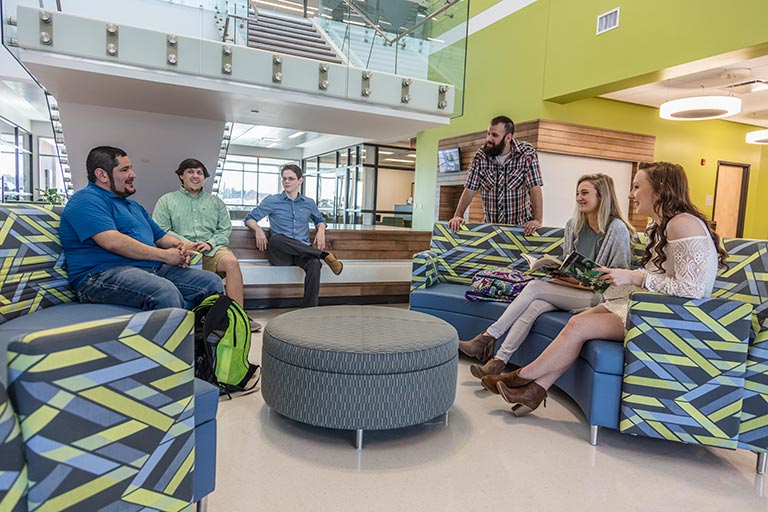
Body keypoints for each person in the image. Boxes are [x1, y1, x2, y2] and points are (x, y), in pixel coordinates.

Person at [491, 162, 728, 417]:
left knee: (579, 327)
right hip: (655, 306)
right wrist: (629, 277)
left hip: (676, 318)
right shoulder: (660, 225)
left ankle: (521, 377)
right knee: (576, 323)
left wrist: (633, 277)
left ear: (659, 190)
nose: (630, 194)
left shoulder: (681, 224)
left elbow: (692, 289)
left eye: (637, 187)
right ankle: (534, 390)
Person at [459, 174, 634, 389]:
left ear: (602, 196)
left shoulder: (617, 229)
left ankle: (486, 338)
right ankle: (498, 362)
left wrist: (590, 277)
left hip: (599, 296)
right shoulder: (573, 225)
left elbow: (621, 275)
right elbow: (570, 263)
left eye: (585, 193)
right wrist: (556, 271)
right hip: (573, 289)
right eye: (577, 193)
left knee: (534, 288)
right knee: (534, 306)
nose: (579, 198)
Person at [60, 146, 224, 310]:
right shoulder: (86, 199)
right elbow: (112, 241)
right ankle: (178, 335)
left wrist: (179, 245)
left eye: (131, 168)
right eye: (125, 170)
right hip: (101, 275)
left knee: (211, 282)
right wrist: (165, 256)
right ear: (102, 175)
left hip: (149, 269)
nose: (133, 174)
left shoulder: (133, 205)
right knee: (164, 291)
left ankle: (210, 333)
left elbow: (160, 237)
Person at [244, 163, 343, 308]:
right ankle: (323, 254)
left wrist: (321, 229)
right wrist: (257, 228)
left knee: (315, 264)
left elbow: (320, 220)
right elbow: (249, 219)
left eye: (290, 178)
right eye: (284, 179)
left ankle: (309, 309)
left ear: (300, 181)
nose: (286, 182)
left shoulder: (308, 203)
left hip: (302, 251)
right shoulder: (272, 201)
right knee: (276, 239)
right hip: (280, 254)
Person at [448, 116, 543, 235]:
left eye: (494, 135)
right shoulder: (481, 156)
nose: (489, 139)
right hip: (491, 229)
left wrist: (537, 220)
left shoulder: (527, 154)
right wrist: (458, 215)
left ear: (508, 138)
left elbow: (535, 186)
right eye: (488, 134)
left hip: (521, 229)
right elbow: (470, 188)